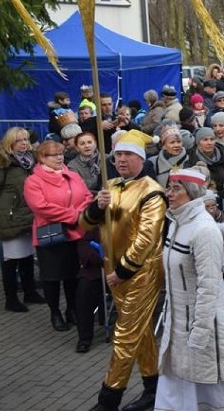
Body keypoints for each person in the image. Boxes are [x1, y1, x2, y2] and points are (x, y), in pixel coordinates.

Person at [154, 168, 224, 411]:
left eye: (176, 189)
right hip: (178, 326)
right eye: (168, 187)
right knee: (179, 385)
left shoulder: (204, 229)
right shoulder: (175, 222)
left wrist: (200, 331)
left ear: (192, 193)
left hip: (204, 325)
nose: (169, 193)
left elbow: (209, 285)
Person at [80, 130, 168, 411]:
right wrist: (96, 207)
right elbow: (83, 223)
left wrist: (124, 271)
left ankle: (108, 399)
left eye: (128, 154)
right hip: (113, 273)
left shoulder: (152, 191)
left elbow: (146, 239)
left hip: (140, 273)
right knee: (141, 334)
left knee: (124, 335)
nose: (121, 159)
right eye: (118, 154)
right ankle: (154, 389)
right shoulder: (111, 185)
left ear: (140, 158)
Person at [24, 140, 93, 332]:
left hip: (75, 234)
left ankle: (72, 310)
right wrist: (74, 215)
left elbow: (87, 196)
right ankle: (55, 312)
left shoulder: (72, 175)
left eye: (61, 154)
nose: (59, 157)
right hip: (51, 236)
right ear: (42, 158)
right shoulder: (33, 181)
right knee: (52, 278)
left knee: (73, 276)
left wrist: (81, 211)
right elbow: (41, 207)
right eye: (54, 155)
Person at [0, 127, 46, 312]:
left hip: (28, 216)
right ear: (11, 143)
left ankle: (29, 291)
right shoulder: (2, 163)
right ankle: (11, 299)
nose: (25, 143)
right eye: (20, 140)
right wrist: (4, 208)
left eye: (26, 139)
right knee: (11, 260)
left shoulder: (30, 161)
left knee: (26, 257)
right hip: (10, 217)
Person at [75, 227, 104, 353]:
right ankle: (84, 338)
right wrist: (97, 256)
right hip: (97, 269)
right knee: (83, 289)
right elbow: (84, 243)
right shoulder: (96, 220)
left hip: (123, 269)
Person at [186, 127, 224, 194]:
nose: (209, 143)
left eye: (212, 139)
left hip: (223, 198)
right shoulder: (190, 158)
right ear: (198, 142)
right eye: (205, 140)